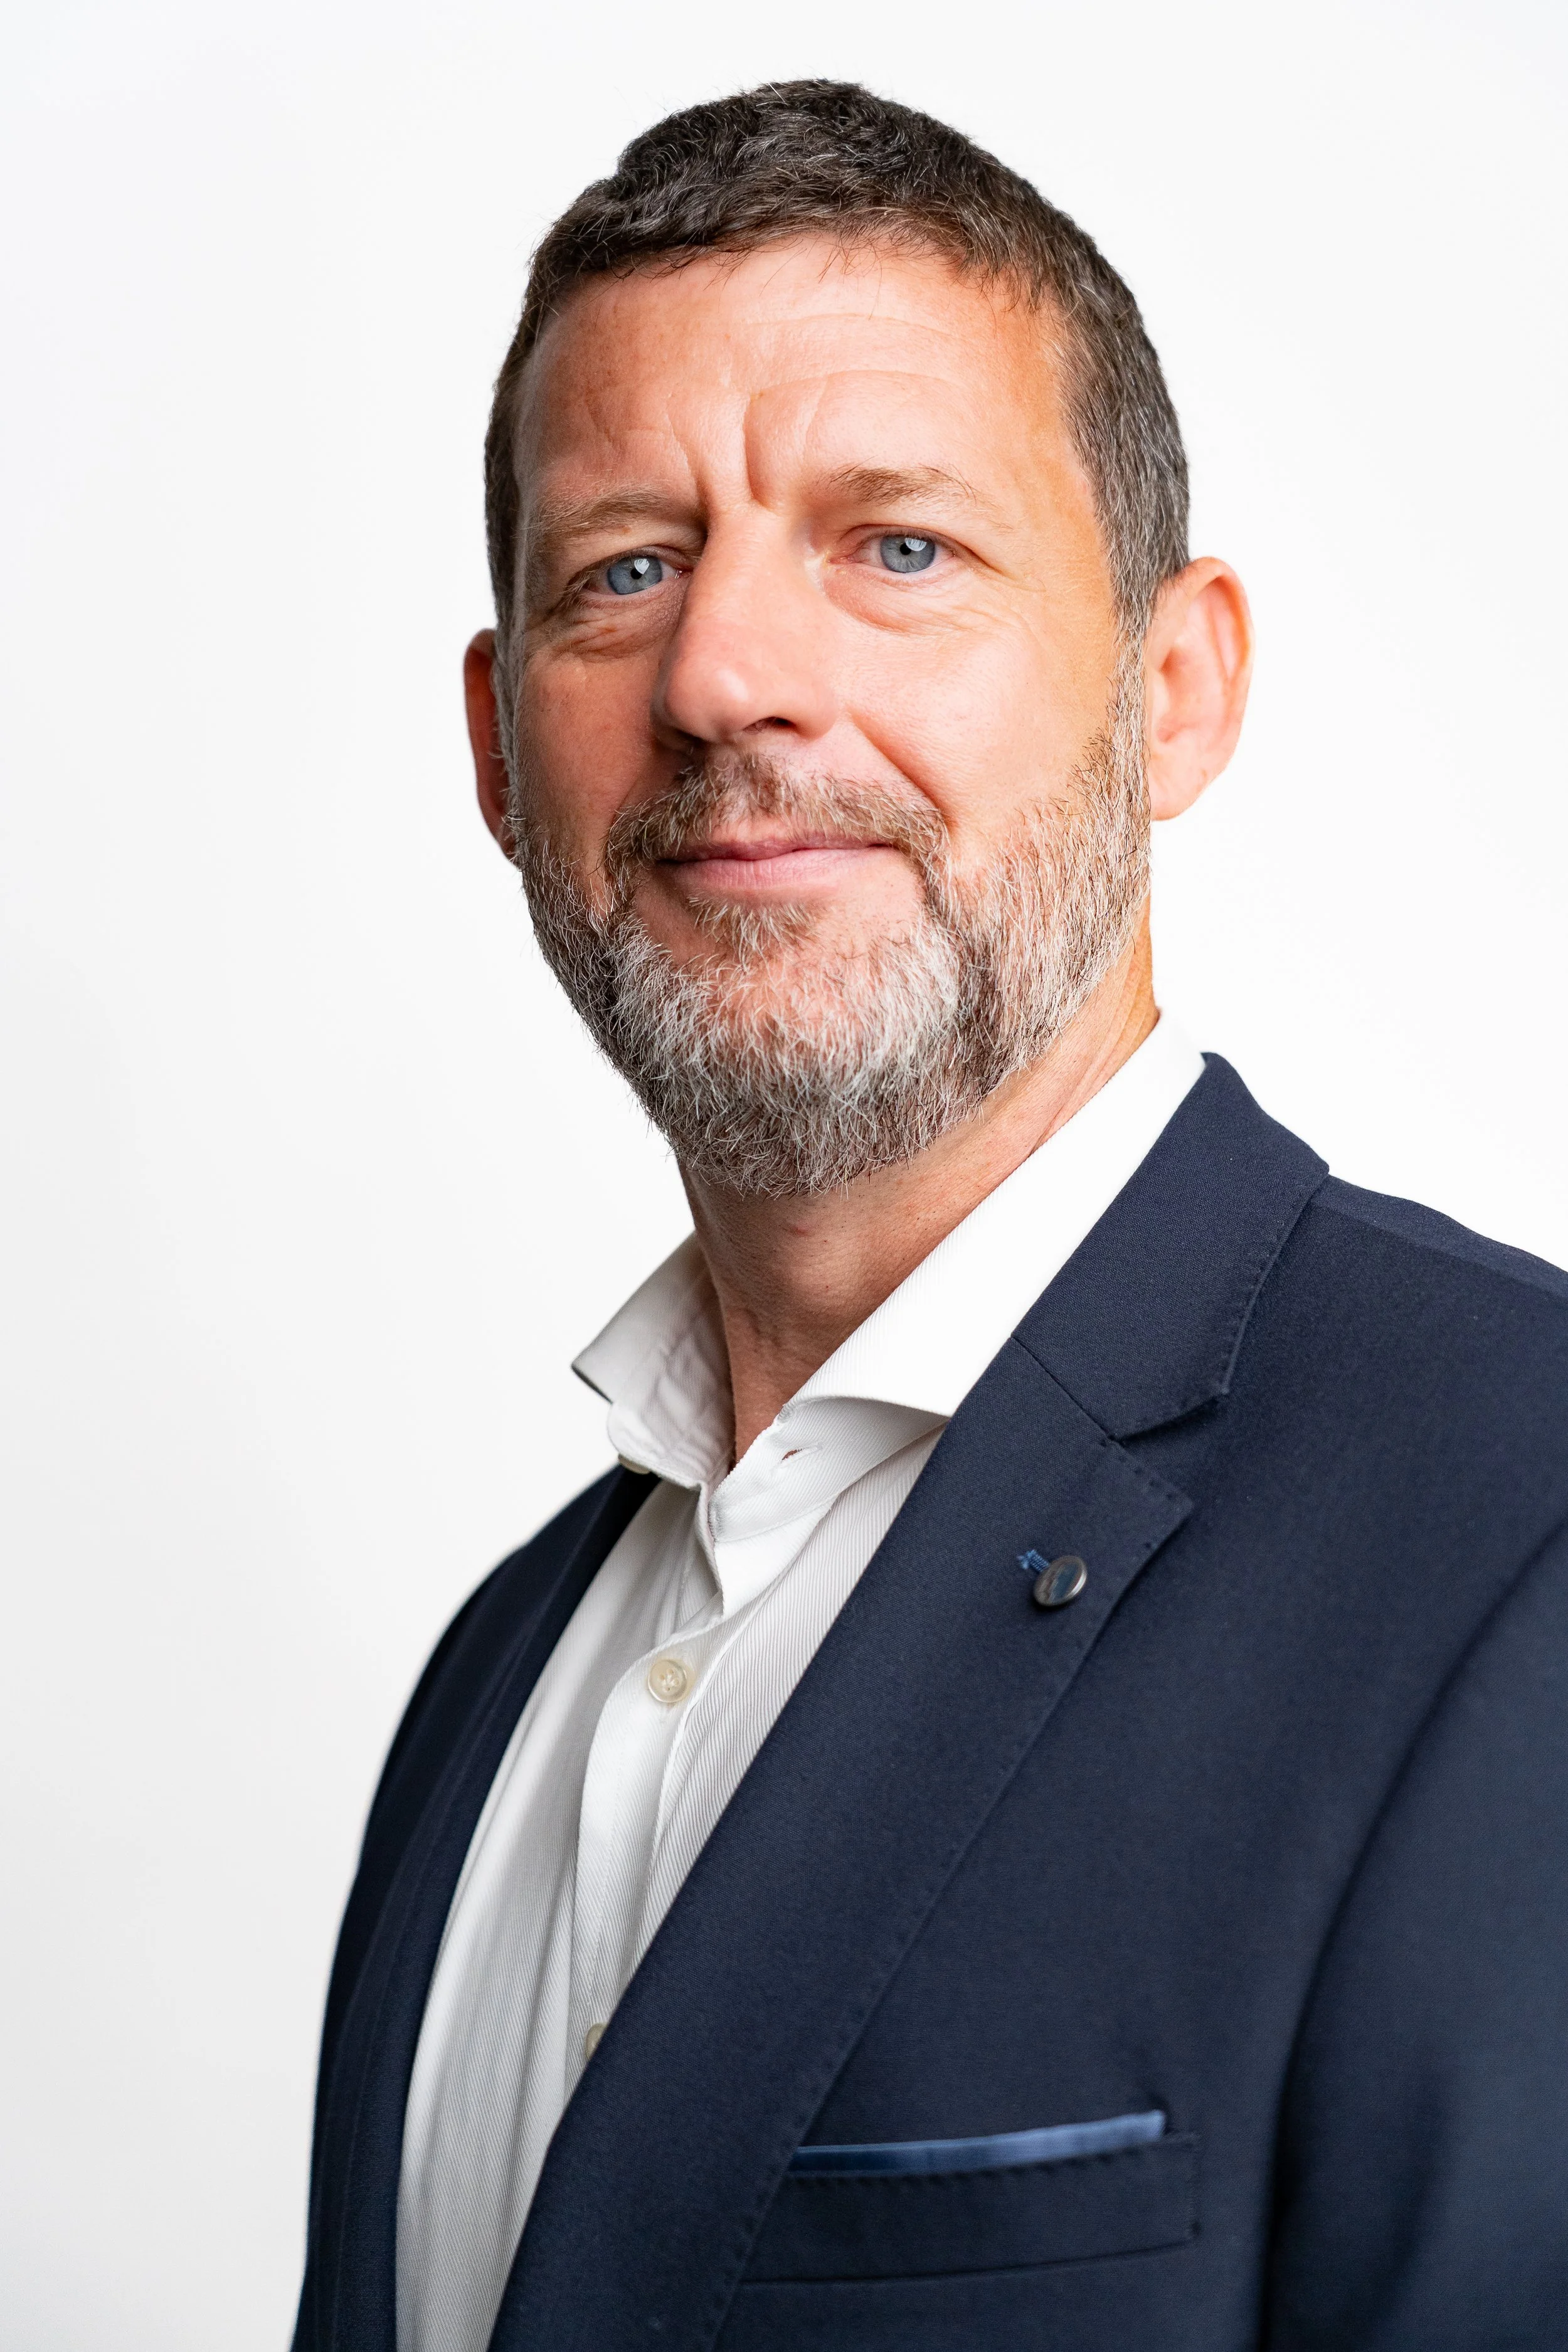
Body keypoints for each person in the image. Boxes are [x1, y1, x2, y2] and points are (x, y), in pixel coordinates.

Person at [292, 81, 1568, 2352]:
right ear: (501, 752)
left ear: (1170, 692)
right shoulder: (494, 1690)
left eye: (897, 546)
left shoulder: (1517, 1516)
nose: (721, 679)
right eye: (623, 568)